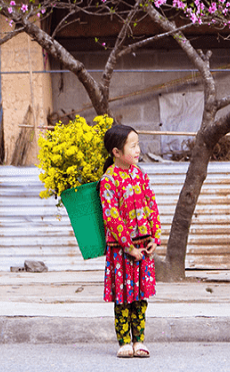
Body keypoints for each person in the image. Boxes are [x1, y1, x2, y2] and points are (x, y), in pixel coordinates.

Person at [99, 124, 161, 358]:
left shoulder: (141, 175)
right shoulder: (109, 181)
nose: (138, 150)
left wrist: (155, 236)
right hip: (121, 250)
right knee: (123, 297)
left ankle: (140, 341)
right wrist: (128, 246)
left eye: (138, 144)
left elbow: (151, 206)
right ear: (116, 151)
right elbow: (112, 218)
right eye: (132, 145)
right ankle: (124, 341)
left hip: (143, 247)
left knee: (140, 296)